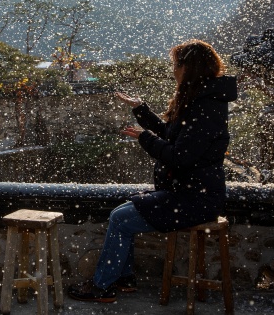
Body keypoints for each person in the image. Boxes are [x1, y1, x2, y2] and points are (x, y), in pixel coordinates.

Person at [68, 39, 237, 303]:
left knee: (122, 219)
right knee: (119, 216)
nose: (173, 71)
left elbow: (180, 157)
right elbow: (172, 135)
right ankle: (122, 279)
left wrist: (144, 138)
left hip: (196, 200)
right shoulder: (202, 99)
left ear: (188, 68)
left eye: (175, 65)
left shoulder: (205, 106)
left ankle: (104, 285)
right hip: (188, 192)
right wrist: (141, 110)